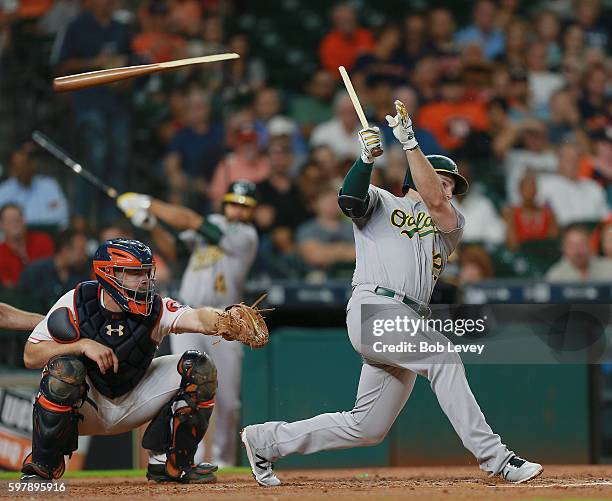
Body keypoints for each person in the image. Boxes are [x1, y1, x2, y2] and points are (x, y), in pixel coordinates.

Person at [240, 100, 542, 486]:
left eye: (451, 185)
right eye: (444, 180)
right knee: (442, 355)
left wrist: (409, 142)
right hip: (374, 308)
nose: (449, 190)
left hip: (407, 319)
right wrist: (365, 159)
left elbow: (434, 201)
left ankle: (265, 441)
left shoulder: (449, 225)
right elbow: (349, 200)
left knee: (367, 427)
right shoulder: (384, 200)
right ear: (417, 177)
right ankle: (496, 458)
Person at [20, 238, 267, 483]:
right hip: (86, 408)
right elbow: (31, 355)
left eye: (147, 273)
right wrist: (81, 345)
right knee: (64, 368)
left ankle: (171, 464)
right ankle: (44, 464)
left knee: (199, 367)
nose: (145, 281)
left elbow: (197, 318)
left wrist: (224, 320)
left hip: (135, 400)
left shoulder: (155, 307)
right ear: (109, 273)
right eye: (135, 273)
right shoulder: (76, 300)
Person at [117, 181, 259, 467]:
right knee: (185, 386)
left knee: (227, 398)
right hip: (190, 316)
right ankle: (186, 456)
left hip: (224, 319)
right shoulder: (214, 225)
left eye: (244, 206)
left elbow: (191, 220)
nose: (238, 211)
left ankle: (223, 460)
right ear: (225, 203)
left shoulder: (247, 236)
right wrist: (153, 225)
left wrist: (148, 202)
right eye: (234, 203)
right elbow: (177, 250)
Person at [55, 0, 132, 226]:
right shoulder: (77, 26)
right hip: (88, 102)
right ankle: (82, 217)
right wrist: (94, 63)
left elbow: (130, 61)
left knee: (119, 158)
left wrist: (124, 73)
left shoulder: (120, 28)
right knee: (95, 156)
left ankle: (111, 220)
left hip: (116, 103)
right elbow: (62, 67)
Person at [0, 142, 69, 228]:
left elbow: (61, 215)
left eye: (23, 164)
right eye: (17, 166)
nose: (21, 169)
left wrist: (18, 221)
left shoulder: (49, 185)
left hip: (46, 236)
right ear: (12, 168)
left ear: (32, 165)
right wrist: (43, 213)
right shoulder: (3, 190)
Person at [19, 229, 90, 310]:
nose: (85, 256)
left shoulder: (83, 274)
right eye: (81, 251)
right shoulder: (34, 273)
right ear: (65, 250)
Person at [0, 203, 54, 287]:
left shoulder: (43, 241)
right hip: (18, 297)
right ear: (1, 224)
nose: (15, 223)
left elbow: (54, 272)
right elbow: (9, 288)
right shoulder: (1, 253)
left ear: (24, 220)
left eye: (18, 219)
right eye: (10, 220)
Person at [503, 170, 558, 251]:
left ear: (537, 190)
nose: (530, 191)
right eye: (526, 187)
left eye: (533, 187)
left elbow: (553, 241)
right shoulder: (511, 213)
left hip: (545, 253)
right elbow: (512, 244)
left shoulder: (548, 213)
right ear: (519, 190)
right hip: (523, 255)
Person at [547, 224, 612, 282]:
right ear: (563, 248)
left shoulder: (609, 268)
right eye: (572, 246)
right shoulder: (555, 276)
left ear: (590, 244)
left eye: (582, 244)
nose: (577, 251)